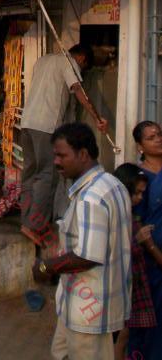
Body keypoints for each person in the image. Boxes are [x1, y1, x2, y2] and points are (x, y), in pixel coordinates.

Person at [33, 122, 132, 360]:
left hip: (89, 311)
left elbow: (87, 256)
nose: (56, 162)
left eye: (61, 155)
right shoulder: (113, 184)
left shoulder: (91, 197)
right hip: (85, 305)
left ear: (83, 154)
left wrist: (46, 267)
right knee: (61, 352)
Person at [20, 44, 108, 245]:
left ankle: (26, 222)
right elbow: (77, 89)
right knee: (47, 176)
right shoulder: (69, 63)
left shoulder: (44, 60)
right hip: (46, 126)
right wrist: (97, 117)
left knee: (29, 174)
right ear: (83, 59)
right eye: (83, 69)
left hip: (26, 123)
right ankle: (34, 226)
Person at [112, 162, 159, 359]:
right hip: (121, 288)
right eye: (137, 193)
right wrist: (140, 241)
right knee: (121, 336)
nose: (140, 198)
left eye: (142, 193)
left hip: (133, 287)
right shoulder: (117, 216)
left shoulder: (132, 216)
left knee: (126, 335)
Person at [132, 121, 162, 357]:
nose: (158, 139)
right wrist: (155, 252)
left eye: (159, 134)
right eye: (151, 137)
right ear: (140, 146)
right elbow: (138, 223)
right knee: (150, 320)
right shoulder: (140, 178)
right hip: (152, 260)